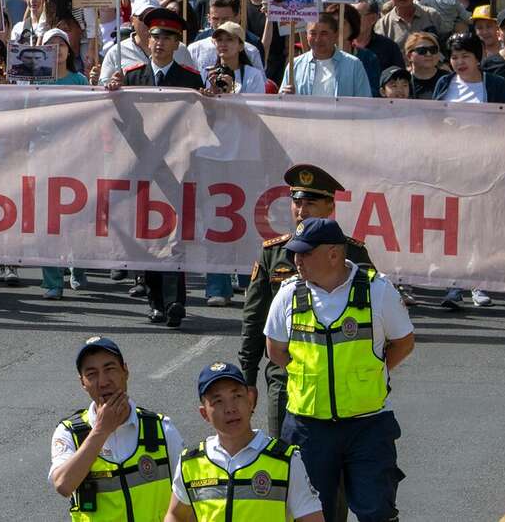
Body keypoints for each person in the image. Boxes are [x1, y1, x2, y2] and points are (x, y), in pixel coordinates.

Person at [263, 217, 415, 522]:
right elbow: (275, 350)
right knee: (311, 513)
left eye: (305, 253)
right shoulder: (289, 293)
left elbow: (404, 342)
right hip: (309, 427)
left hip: (368, 425)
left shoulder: (378, 291)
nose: (297, 260)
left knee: (377, 510)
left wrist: (373, 372)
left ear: (333, 254)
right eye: (295, 253)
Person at [238, 165, 378, 437]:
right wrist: (248, 378)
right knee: (286, 461)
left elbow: (379, 319)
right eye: (296, 203)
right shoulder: (274, 253)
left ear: (330, 207)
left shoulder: (353, 254)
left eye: (310, 204)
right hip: (286, 376)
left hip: (342, 381)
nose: (301, 211)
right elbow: (255, 320)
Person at [106, 8, 205, 326]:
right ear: (147, 40)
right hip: (143, 166)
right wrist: (112, 91)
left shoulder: (190, 79)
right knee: (150, 231)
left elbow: (201, 120)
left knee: (176, 234)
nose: (160, 42)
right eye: (156, 36)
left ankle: (176, 301)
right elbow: (117, 120)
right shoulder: (132, 76)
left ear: (178, 44)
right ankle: (155, 301)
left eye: (168, 37)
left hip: (178, 164)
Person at [167, 362, 324, 522]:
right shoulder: (191, 463)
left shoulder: (285, 462)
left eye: (237, 396)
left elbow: (313, 518)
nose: (230, 408)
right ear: (204, 413)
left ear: (250, 400)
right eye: (218, 401)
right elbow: (175, 515)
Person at [49, 336, 184, 521]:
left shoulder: (161, 429)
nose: (103, 382)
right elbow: (63, 485)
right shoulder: (69, 433)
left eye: (110, 369)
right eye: (92, 374)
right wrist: (101, 430)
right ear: (82, 382)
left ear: (125, 371)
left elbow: (188, 498)